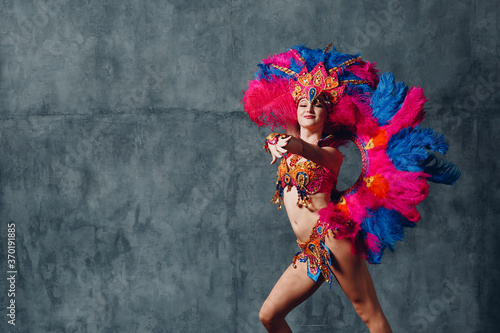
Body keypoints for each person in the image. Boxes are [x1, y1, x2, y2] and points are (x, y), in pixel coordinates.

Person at [242, 44, 460, 332]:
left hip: (332, 237)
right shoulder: (286, 140)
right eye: (303, 103)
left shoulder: (330, 154)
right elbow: (283, 137)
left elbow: (306, 150)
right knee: (269, 315)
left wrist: (290, 144)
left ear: (327, 113)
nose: (309, 108)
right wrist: (274, 140)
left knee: (369, 313)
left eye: (318, 103)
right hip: (310, 252)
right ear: (295, 109)